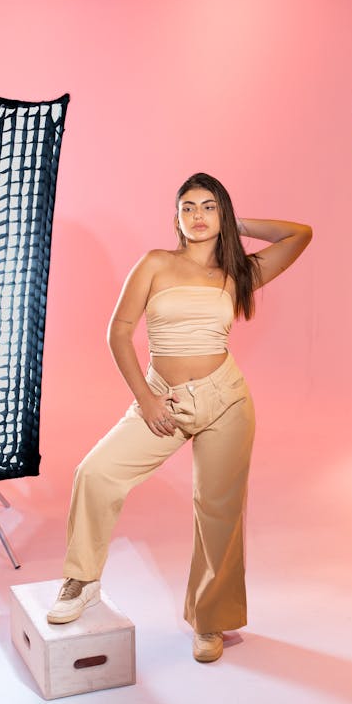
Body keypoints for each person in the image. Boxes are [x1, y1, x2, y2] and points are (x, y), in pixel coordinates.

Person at [47, 172, 312, 663]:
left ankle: (210, 621)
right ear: (175, 217)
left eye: (208, 207)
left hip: (226, 400)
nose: (197, 216)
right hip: (162, 396)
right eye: (187, 207)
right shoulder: (155, 263)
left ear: (222, 214)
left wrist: (232, 225)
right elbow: (119, 332)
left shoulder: (239, 273)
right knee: (96, 472)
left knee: (218, 514)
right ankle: (81, 580)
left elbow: (300, 234)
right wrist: (146, 402)